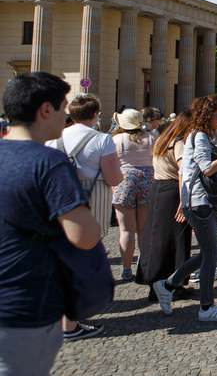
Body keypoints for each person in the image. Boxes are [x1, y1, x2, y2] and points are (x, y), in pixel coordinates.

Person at [0, 72, 104, 374]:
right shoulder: (48, 162)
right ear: (46, 110)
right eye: (63, 108)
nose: (66, 117)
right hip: (25, 297)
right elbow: (84, 235)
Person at [153, 95, 217, 322]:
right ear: (208, 115)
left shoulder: (204, 136)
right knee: (212, 254)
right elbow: (206, 169)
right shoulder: (200, 137)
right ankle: (206, 306)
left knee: (209, 251)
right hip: (197, 201)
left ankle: (168, 284)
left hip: (199, 201)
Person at [45, 94, 124, 341]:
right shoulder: (101, 139)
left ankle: (57, 316)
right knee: (80, 263)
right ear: (95, 114)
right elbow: (113, 179)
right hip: (91, 202)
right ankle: (71, 322)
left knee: (58, 260)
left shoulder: (53, 139)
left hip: (58, 202)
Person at [136, 111, 194, 303]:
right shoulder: (178, 142)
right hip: (173, 190)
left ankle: (154, 282)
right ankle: (173, 284)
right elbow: (182, 171)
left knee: (157, 238)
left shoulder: (162, 139)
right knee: (176, 240)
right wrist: (183, 200)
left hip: (158, 188)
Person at [111, 108, 156, 280]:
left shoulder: (116, 139)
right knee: (143, 228)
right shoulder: (152, 138)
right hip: (147, 179)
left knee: (126, 229)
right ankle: (143, 265)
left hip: (125, 181)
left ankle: (126, 268)